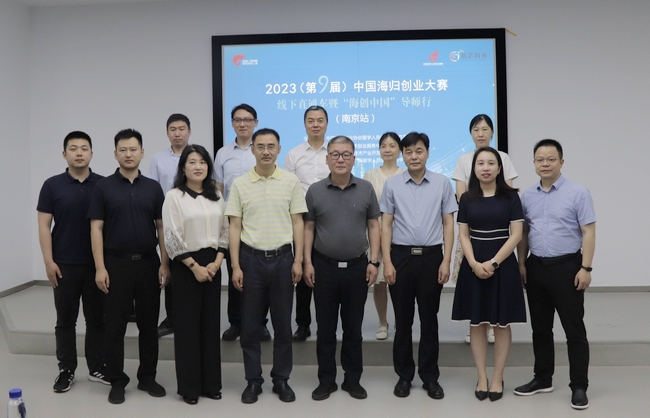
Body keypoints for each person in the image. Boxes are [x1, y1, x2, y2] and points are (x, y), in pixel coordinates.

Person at [88, 129, 169, 404]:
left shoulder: (153, 188)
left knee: (149, 325)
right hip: (115, 265)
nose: (128, 154)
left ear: (142, 152)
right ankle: (117, 380)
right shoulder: (103, 187)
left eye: (133, 149)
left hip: (148, 263)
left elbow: (161, 228)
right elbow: (96, 228)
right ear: (115, 154)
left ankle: (147, 377)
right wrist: (100, 267)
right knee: (115, 326)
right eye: (123, 150)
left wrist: (165, 263)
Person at [226, 128, 307, 404]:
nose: (266, 151)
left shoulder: (290, 181)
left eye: (271, 146)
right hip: (251, 260)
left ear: (279, 149)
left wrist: (298, 259)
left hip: (283, 259)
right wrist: (235, 266)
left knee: (283, 325)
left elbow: (297, 222)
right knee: (250, 326)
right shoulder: (240, 184)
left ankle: (281, 379)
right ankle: (253, 380)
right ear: (252, 150)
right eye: (260, 146)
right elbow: (234, 226)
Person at [514, 139, 596, 411]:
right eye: (540, 159)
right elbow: (524, 233)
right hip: (536, 267)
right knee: (540, 329)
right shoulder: (527, 196)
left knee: (574, 330)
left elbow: (589, 232)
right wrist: (522, 264)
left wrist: (586, 268)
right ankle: (542, 378)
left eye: (551, 159)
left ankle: (579, 386)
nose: (545, 164)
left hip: (568, 268)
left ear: (561, 162)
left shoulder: (578, 193)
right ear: (534, 163)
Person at [380, 132, 457, 400]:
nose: (414, 156)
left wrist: (446, 260)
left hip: (431, 258)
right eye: (409, 151)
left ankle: (430, 377)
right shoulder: (392, 185)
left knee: (429, 320)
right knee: (402, 322)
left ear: (428, 153)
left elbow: (448, 223)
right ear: (402, 154)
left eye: (419, 150)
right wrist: (387, 261)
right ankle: (404, 376)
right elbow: (386, 224)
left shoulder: (442, 183)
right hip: (400, 257)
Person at [304, 136, 380, 401]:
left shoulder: (366, 188)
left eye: (346, 154)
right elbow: (308, 228)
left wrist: (374, 262)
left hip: (357, 268)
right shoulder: (315, 190)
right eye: (335, 154)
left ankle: (352, 380)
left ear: (354, 159)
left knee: (353, 329)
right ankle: (326, 381)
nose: (340, 159)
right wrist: (307, 262)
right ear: (327, 159)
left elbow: (374, 226)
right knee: (325, 329)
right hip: (323, 268)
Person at [451, 147, 525, 402]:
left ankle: (497, 377)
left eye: (491, 163)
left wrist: (493, 263)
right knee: (477, 323)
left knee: (501, 324)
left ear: (499, 168)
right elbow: (463, 235)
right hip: (474, 264)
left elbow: (516, 235)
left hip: (502, 264)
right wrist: (473, 263)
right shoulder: (467, 199)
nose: (485, 168)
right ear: (473, 169)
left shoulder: (511, 197)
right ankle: (482, 376)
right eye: (480, 163)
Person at [37, 131, 108, 393]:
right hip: (64, 265)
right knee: (65, 321)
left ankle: (97, 367)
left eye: (84, 148)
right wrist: (48, 261)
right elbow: (44, 226)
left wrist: (104, 265)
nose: (79, 153)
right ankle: (66, 369)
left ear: (91, 153)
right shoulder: (52, 185)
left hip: (96, 265)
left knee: (96, 319)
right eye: (73, 148)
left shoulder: (103, 185)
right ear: (64, 153)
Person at [162, 144, 228, 405]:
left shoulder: (216, 195)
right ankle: (189, 387)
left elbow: (225, 230)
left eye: (202, 162)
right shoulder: (174, 196)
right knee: (188, 328)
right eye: (192, 162)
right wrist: (194, 267)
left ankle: (211, 384)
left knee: (210, 326)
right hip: (186, 265)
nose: (198, 166)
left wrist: (217, 262)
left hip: (213, 264)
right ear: (183, 168)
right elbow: (171, 236)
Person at [452, 114, 518, 345]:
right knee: (475, 281)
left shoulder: (503, 157)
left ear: (492, 132)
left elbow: (506, 192)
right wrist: (475, 208)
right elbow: (461, 193)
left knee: (495, 282)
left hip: (497, 230)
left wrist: (492, 208)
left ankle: (492, 326)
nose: (480, 133)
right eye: (476, 129)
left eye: (485, 129)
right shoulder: (464, 159)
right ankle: (477, 323)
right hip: (473, 226)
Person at [215, 104, 270, 342]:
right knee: (234, 270)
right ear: (232, 123)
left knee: (261, 275)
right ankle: (236, 323)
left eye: (247, 120)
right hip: (232, 221)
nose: (242, 124)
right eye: (238, 120)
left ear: (255, 123)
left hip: (258, 219)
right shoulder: (223, 153)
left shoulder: (262, 150)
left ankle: (260, 323)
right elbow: (218, 189)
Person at [284, 105, 330, 341]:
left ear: (326, 124)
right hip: (301, 219)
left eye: (320, 120)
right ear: (304, 124)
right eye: (311, 120)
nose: (315, 124)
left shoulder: (334, 152)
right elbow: (288, 189)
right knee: (302, 267)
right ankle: (303, 324)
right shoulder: (294, 154)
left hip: (329, 218)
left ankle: (325, 323)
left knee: (325, 270)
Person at [148, 113, 192, 337]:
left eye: (181, 129)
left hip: (193, 221)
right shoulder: (158, 159)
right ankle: (172, 318)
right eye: (173, 129)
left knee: (192, 267)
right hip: (167, 222)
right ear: (167, 133)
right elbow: (153, 190)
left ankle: (190, 316)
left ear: (189, 132)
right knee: (170, 268)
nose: (177, 133)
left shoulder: (198, 155)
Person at [363, 132, 404, 340]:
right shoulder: (370, 175)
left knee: (400, 282)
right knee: (379, 281)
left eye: (392, 145)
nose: (387, 149)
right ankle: (382, 322)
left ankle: (400, 322)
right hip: (376, 232)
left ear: (400, 150)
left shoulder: (406, 173)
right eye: (383, 146)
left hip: (401, 233)